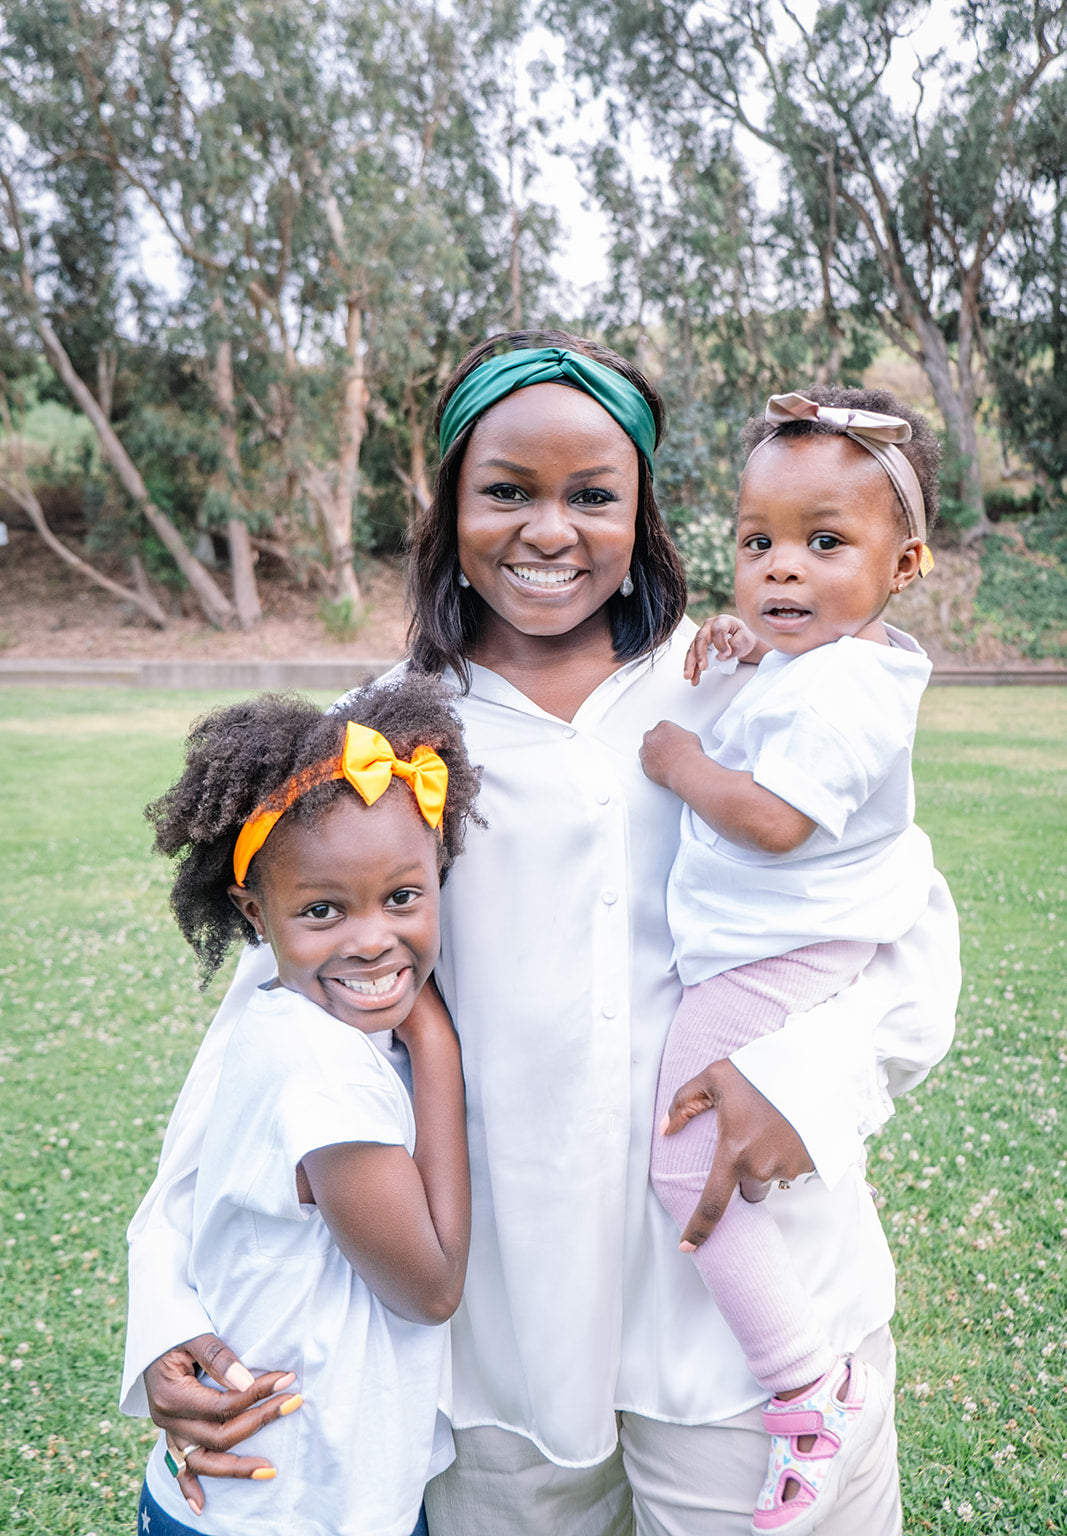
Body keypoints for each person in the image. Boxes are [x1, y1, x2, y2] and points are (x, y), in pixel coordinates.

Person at [121, 334, 960, 1536]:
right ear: (449, 503)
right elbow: (265, 1037)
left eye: (593, 495)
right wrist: (166, 1303)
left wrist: (803, 1084)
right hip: (498, 1358)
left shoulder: (757, 680)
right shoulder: (377, 740)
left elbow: (906, 934)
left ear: (644, 509)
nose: (548, 530)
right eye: (505, 489)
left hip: (751, 1322)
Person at [640, 390, 946, 1535]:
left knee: (683, 1166)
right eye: (756, 541)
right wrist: (733, 661)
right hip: (771, 949)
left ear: (902, 561)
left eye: (824, 543)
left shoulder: (848, 691)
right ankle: (806, 1381)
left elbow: (771, 818)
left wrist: (676, 759)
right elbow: (768, 703)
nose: (779, 570)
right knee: (692, 1160)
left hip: (775, 963)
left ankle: (806, 1386)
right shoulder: (816, 664)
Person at [131, 674, 481, 1536]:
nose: (370, 938)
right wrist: (433, 1045)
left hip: (296, 1488)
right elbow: (430, 1287)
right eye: (322, 910)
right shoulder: (324, 1072)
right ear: (254, 912)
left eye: (404, 897)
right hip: (292, 1504)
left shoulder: (279, 1014)